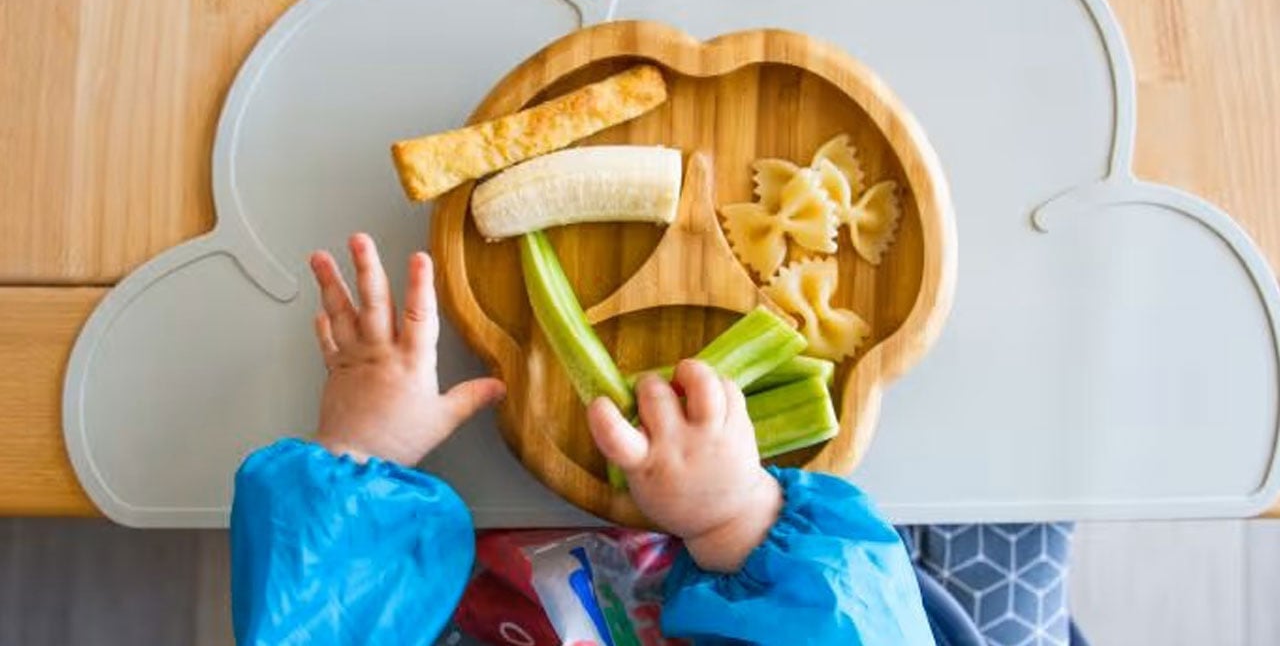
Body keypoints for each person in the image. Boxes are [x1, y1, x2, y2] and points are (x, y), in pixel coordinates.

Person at [230, 233, 934, 645]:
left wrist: (364, 446)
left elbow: (315, 625)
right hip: (745, 571)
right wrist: (736, 516)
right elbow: (859, 625)